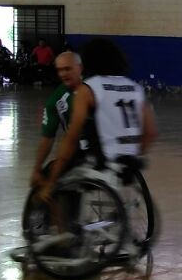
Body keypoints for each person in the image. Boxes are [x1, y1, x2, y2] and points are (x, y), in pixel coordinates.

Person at [38, 38, 158, 202]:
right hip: (129, 162)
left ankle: (64, 227)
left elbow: (72, 137)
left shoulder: (89, 87)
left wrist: (52, 180)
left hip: (101, 160)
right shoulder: (134, 87)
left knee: (53, 180)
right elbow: (151, 132)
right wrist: (133, 154)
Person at [30, 52, 84, 186]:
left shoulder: (90, 90)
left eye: (67, 69)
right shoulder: (56, 100)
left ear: (80, 68)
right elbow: (47, 138)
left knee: (48, 184)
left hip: (83, 152)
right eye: (59, 70)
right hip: (78, 152)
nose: (63, 74)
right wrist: (37, 168)